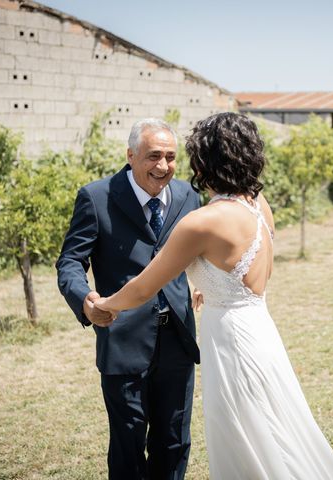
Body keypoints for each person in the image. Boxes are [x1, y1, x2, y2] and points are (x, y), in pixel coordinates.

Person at [95, 112, 333, 479]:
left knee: (244, 435)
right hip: (260, 331)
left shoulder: (203, 221)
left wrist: (105, 305)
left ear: (205, 160)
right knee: (273, 430)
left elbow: (145, 286)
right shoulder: (259, 206)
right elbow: (236, 272)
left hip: (230, 343)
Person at [56, 118, 201, 480]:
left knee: (174, 441)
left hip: (178, 340)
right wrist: (85, 298)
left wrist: (200, 282)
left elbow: (198, 253)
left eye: (170, 156)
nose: (163, 166)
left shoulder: (188, 196)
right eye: (154, 156)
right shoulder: (96, 196)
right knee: (128, 444)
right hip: (122, 338)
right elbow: (71, 261)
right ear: (131, 155)